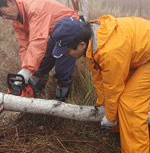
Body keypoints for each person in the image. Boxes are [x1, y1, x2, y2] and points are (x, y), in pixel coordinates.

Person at [52, 15, 150, 153]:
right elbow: (101, 79)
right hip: (139, 57)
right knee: (122, 100)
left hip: (146, 58)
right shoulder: (94, 39)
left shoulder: (109, 50)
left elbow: (113, 87)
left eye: (68, 51)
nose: (67, 55)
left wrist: (110, 117)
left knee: (130, 105)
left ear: (81, 45)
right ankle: (121, 134)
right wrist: (105, 107)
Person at [0, 0, 80, 101]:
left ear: (10, 1)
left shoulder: (35, 8)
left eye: (3, 13)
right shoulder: (15, 19)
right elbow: (24, 45)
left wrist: (28, 69)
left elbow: (38, 40)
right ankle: (36, 96)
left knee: (62, 71)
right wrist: (25, 70)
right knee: (41, 67)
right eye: (0, 16)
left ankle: (61, 103)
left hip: (69, 29)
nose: (4, 17)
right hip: (54, 33)